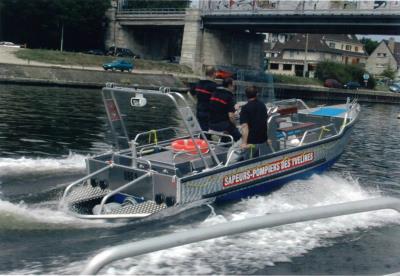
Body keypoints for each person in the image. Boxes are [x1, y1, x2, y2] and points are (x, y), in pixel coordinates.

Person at [240, 85, 270, 158]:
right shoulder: (262, 105)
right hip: (262, 138)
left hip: (252, 141)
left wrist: (244, 143)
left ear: (246, 95)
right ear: (257, 94)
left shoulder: (245, 108)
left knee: (233, 148)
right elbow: (265, 122)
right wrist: (267, 138)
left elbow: (244, 127)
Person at [191, 66, 217, 131]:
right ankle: (205, 139)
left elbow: (189, 93)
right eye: (215, 73)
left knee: (201, 128)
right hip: (208, 112)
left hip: (199, 110)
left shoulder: (198, 83)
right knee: (206, 130)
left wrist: (195, 102)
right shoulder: (214, 86)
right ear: (213, 73)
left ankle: (201, 139)